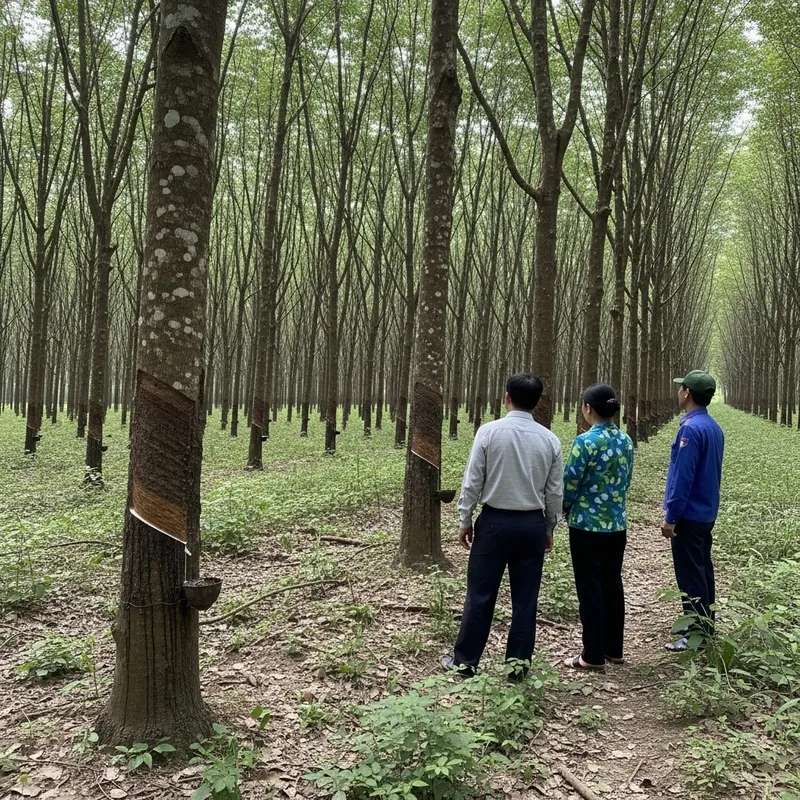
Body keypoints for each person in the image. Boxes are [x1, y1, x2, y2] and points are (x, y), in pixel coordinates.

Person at [442, 373, 563, 680]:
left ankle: (465, 663)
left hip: (494, 523)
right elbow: (554, 492)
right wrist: (549, 528)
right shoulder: (550, 440)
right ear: (537, 403)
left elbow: (473, 480)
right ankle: (517, 669)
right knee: (526, 599)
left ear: (506, 397)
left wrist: (464, 520)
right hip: (531, 525)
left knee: (480, 594)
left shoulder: (489, 432)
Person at [562, 384, 634, 672]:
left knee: (589, 588)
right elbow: (626, 480)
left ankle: (591, 655)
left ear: (588, 409)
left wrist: (562, 510)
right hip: (616, 525)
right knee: (612, 584)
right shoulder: (626, 441)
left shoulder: (585, 442)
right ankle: (613, 649)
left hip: (586, 527)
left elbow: (569, 484)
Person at [662, 370, 724, 652]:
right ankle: (706, 624)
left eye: (680, 388)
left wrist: (671, 517)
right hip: (707, 511)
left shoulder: (690, 429)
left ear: (687, 393)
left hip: (690, 513)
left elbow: (682, 477)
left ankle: (696, 633)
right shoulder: (712, 426)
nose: (678, 392)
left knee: (690, 574)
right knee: (703, 569)